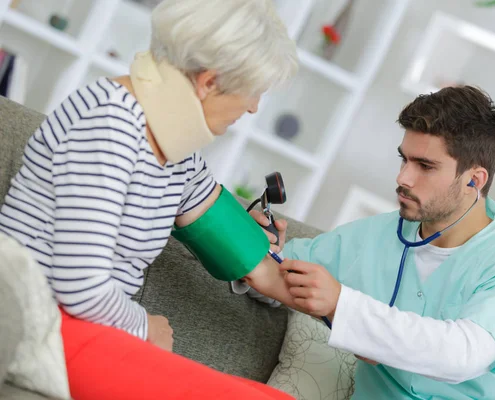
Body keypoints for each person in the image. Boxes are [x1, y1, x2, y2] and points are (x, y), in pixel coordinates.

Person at [0, 0, 297, 399]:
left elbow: (249, 261)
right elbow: (78, 286)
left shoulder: (181, 155)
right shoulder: (108, 121)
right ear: (209, 82)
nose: (254, 106)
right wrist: (144, 327)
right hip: (39, 325)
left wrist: (334, 307)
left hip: (93, 332)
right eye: (253, 90)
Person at [249, 85, 495, 399]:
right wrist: (263, 248)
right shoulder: (373, 236)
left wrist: (341, 305)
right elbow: (275, 276)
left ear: (473, 180)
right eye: (404, 160)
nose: (403, 178)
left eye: (425, 166)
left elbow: (463, 355)